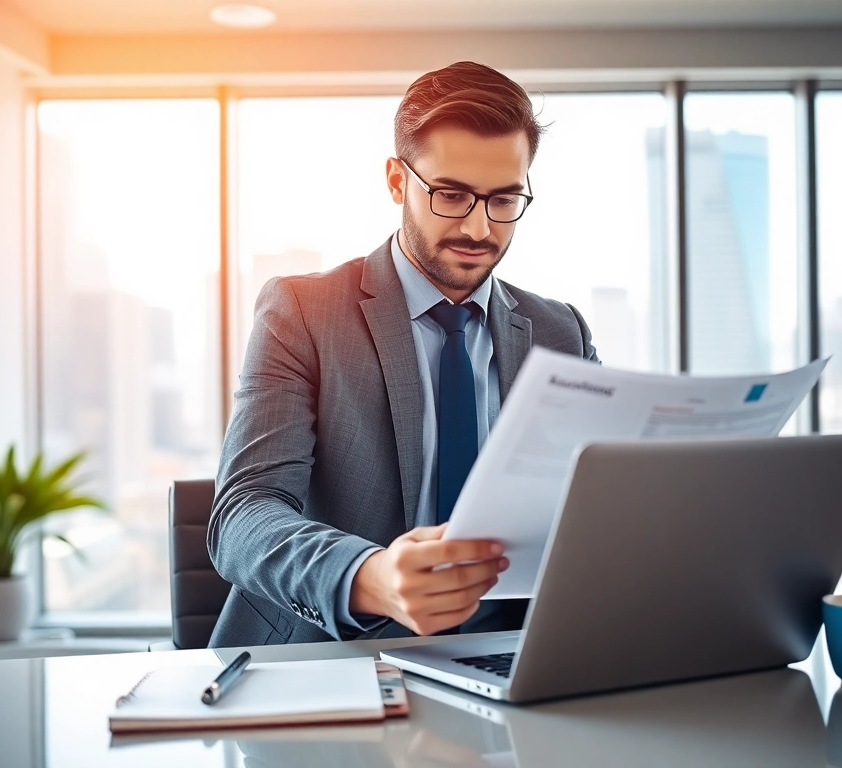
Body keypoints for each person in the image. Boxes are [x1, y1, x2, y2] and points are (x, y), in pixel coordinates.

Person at [208, 61, 598, 647]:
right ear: (397, 181)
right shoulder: (303, 311)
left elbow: (596, 504)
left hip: (511, 656)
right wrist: (368, 577)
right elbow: (242, 514)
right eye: (451, 195)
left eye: (503, 200)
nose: (479, 228)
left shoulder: (559, 330)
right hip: (335, 660)